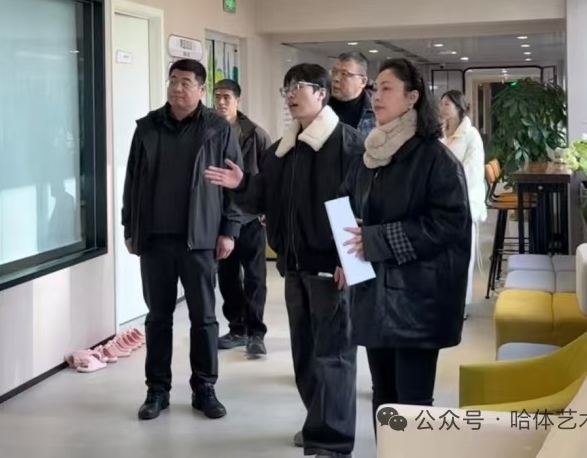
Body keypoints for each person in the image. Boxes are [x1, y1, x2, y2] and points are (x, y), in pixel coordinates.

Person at [205, 64, 364, 458]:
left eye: (299, 87)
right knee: (305, 357)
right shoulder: (283, 148)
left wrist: (351, 259)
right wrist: (241, 184)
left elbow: (362, 205)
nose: (290, 94)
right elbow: (264, 196)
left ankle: (332, 442)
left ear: (322, 94)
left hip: (333, 268)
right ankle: (318, 424)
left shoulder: (347, 144)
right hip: (294, 266)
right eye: (287, 87)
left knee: (334, 357)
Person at [339, 58, 471, 438]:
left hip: (418, 300)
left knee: (412, 402)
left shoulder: (435, 158)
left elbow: (449, 223)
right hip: (374, 293)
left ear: (412, 98)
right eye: (375, 89)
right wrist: (347, 252)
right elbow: (349, 205)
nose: (376, 96)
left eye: (387, 88)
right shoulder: (370, 155)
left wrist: (378, 240)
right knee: (383, 397)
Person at [121, 59, 245, 422]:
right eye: (173, 81)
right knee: (158, 318)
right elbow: (132, 180)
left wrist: (229, 230)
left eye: (186, 82)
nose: (177, 88)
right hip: (155, 239)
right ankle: (157, 390)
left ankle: (204, 387)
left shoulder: (218, 128)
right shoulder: (147, 127)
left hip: (201, 239)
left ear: (201, 90)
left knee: (203, 318)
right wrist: (129, 227)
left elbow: (234, 183)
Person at [212, 79, 273, 357]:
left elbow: (268, 176)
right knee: (227, 277)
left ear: (238, 100)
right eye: (217, 96)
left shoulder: (255, 134)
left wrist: (266, 210)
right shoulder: (210, 130)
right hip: (221, 218)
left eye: (227, 97)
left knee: (255, 277)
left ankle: (256, 333)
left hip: (250, 218)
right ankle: (237, 329)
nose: (221, 102)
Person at [440, 90, 487, 313]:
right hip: (440, 202)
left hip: (463, 202)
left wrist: (445, 184)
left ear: (459, 108)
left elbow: (472, 172)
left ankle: (461, 304)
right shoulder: (440, 133)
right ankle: (443, 300)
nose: (442, 108)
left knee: (462, 255)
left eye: (447, 104)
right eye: (441, 103)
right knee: (443, 255)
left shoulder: (471, 135)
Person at [328, 52, 377, 137]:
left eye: (344, 74)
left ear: (363, 81)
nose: (336, 78)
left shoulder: (375, 110)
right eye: (334, 72)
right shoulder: (320, 104)